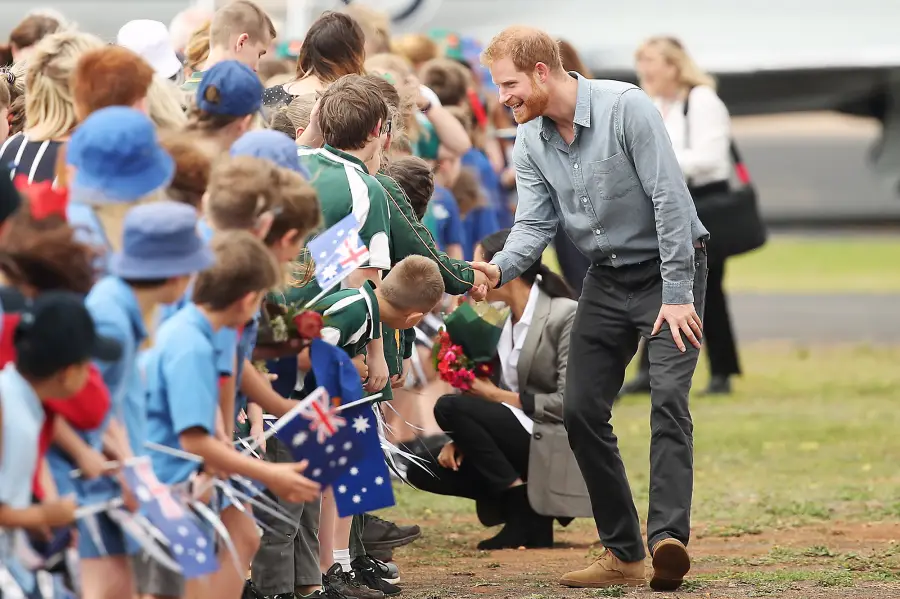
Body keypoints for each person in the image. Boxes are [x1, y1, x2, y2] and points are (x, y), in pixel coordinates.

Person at [472, 27, 709, 591]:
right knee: (578, 410)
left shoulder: (626, 108)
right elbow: (534, 224)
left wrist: (677, 295)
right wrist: (499, 269)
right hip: (606, 278)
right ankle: (623, 553)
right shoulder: (529, 138)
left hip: (669, 270)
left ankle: (667, 539)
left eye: (508, 84)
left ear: (540, 72)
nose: (503, 97)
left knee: (669, 399)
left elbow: (670, 200)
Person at [140, 233, 320, 599]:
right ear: (248, 300)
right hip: (172, 481)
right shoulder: (192, 346)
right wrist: (269, 472)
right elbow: (194, 440)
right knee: (181, 578)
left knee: (236, 541)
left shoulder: (203, 330)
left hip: (188, 473)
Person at [406, 228, 592, 549]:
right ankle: (529, 520)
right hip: (516, 432)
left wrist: (496, 397)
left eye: (476, 266)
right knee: (421, 464)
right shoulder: (497, 319)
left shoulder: (565, 314)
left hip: (554, 436)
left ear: (505, 267)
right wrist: (463, 437)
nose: (469, 276)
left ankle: (521, 506)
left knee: (448, 407)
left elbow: (572, 401)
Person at [620, 36, 740, 396]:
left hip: (704, 199)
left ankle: (722, 371)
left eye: (652, 62)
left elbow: (712, 158)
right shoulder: (656, 103)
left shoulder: (701, 100)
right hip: (670, 199)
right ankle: (650, 369)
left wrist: (661, 165)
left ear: (674, 66)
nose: (645, 71)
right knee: (664, 283)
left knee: (709, 289)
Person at [180, 0, 276, 92]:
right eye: (259, 54)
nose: (256, 67)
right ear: (241, 42)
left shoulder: (175, 98)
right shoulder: (242, 100)